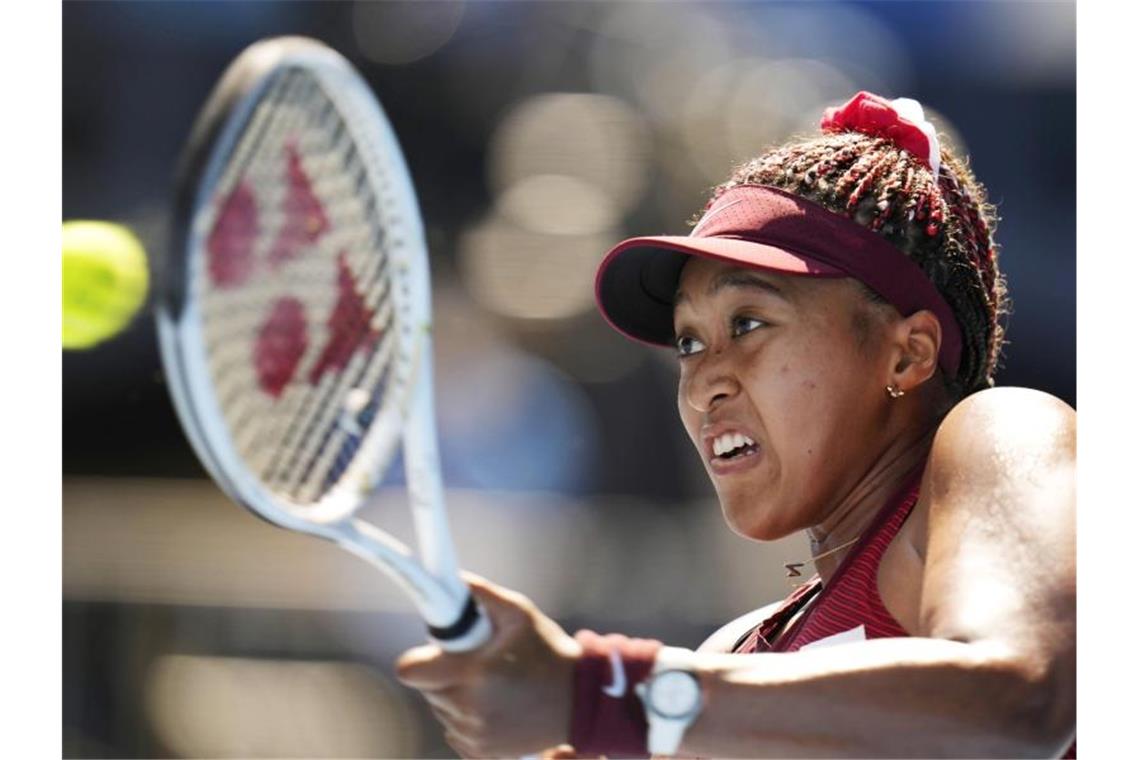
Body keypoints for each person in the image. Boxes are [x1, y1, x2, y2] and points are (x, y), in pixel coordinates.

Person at [396, 91, 1076, 758]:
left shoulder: (1008, 430)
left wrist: (605, 696)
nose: (702, 384)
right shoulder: (735, 657)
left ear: (908, 353)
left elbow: (1021, 699)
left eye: (748, 324)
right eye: (689, 343)